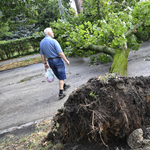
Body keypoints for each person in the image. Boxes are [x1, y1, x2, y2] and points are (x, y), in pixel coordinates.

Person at [40, 27, 70, 100]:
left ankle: (64, 85)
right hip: (57, 60)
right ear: (49, 33)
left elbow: (42, 55)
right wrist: (66, 60)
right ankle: (61, 93)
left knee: (58, 74)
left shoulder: (41, 42)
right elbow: (60, 53)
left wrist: (45, 63)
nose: (53, 33)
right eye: (52, 32)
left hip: (50, 61)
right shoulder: (53, 41)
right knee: (61, 76)